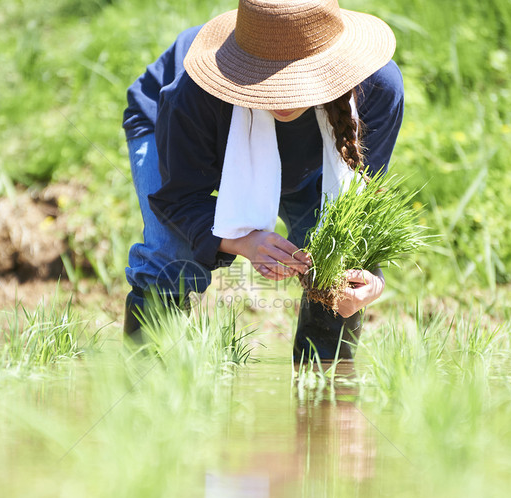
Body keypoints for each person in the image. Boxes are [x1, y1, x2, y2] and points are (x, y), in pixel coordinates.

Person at [121, 0, 403, 361]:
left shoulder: (377, 87)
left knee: (335, 257)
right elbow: (178, 198)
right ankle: (142, 392)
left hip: (304, 160)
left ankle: (320, 396)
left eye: (293, 80)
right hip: (180, 130)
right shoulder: (192, 94)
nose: (280, 96)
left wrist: (370, 280)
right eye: (267, 79)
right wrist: (245, 242)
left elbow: (358, 207)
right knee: (170, 252)